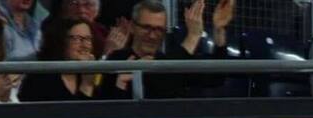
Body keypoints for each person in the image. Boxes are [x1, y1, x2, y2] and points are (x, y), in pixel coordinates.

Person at [96, 0, 232, 99]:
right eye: (146, 28)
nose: (152, 35)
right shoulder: (117, 60)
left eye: (159, 29)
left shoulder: (167, 61)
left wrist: (219, 30)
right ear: (132, 27)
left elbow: (215, 78)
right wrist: (192, 37)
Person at [19, 15, 100, 99]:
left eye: (88, 39)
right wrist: (86, 86)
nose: (85, 45)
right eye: (77, 38)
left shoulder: (90, 75)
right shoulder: (41, 78)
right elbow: (74, 111)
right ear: (60, 41)